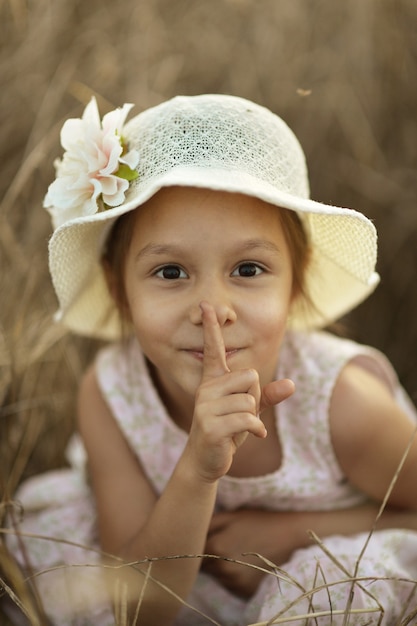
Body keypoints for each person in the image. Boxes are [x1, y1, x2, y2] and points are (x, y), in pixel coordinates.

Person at [4, 94, 417, 626]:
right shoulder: (114, 393)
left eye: (248, 269)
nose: (213, 310)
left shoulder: (342, 404)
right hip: (176, 587)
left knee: (328, 589)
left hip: (325, 572)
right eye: (171, 273)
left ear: (296, 283)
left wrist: (297, 533)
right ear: (118, 288)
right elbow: (136, 608)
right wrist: (197, 470)